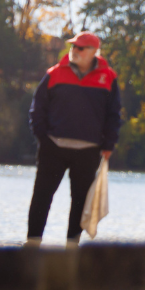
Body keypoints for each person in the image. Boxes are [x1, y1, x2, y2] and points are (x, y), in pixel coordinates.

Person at [25, 31, 121, 246]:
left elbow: (114, 114)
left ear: (94, 51)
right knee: (41, 198)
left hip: (88, 151)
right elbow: (37, 107)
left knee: (80, 202)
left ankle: (72, 249)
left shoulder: (109, 78)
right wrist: (42, 137)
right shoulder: (55, 73)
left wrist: (108, 144)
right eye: (73, 47)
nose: (75, 51)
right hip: (53, 147)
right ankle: (32, 245)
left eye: (81, 48)